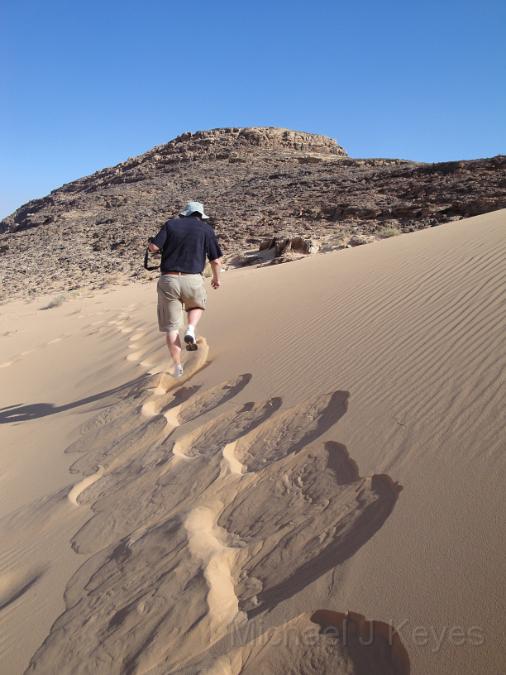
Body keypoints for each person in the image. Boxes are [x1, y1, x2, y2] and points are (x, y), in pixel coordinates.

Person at [148, 201, 222, 377]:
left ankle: (178, 367)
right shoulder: (206, 230)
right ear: (200, 215)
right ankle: (190, 328)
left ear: (185, 214)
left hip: (169, 280)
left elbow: (154, 248)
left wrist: (151, 242)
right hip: (193, 279)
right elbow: (216, 260)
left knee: (172, 328)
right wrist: (216, 279)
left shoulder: (171, 224)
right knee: (196, 306)